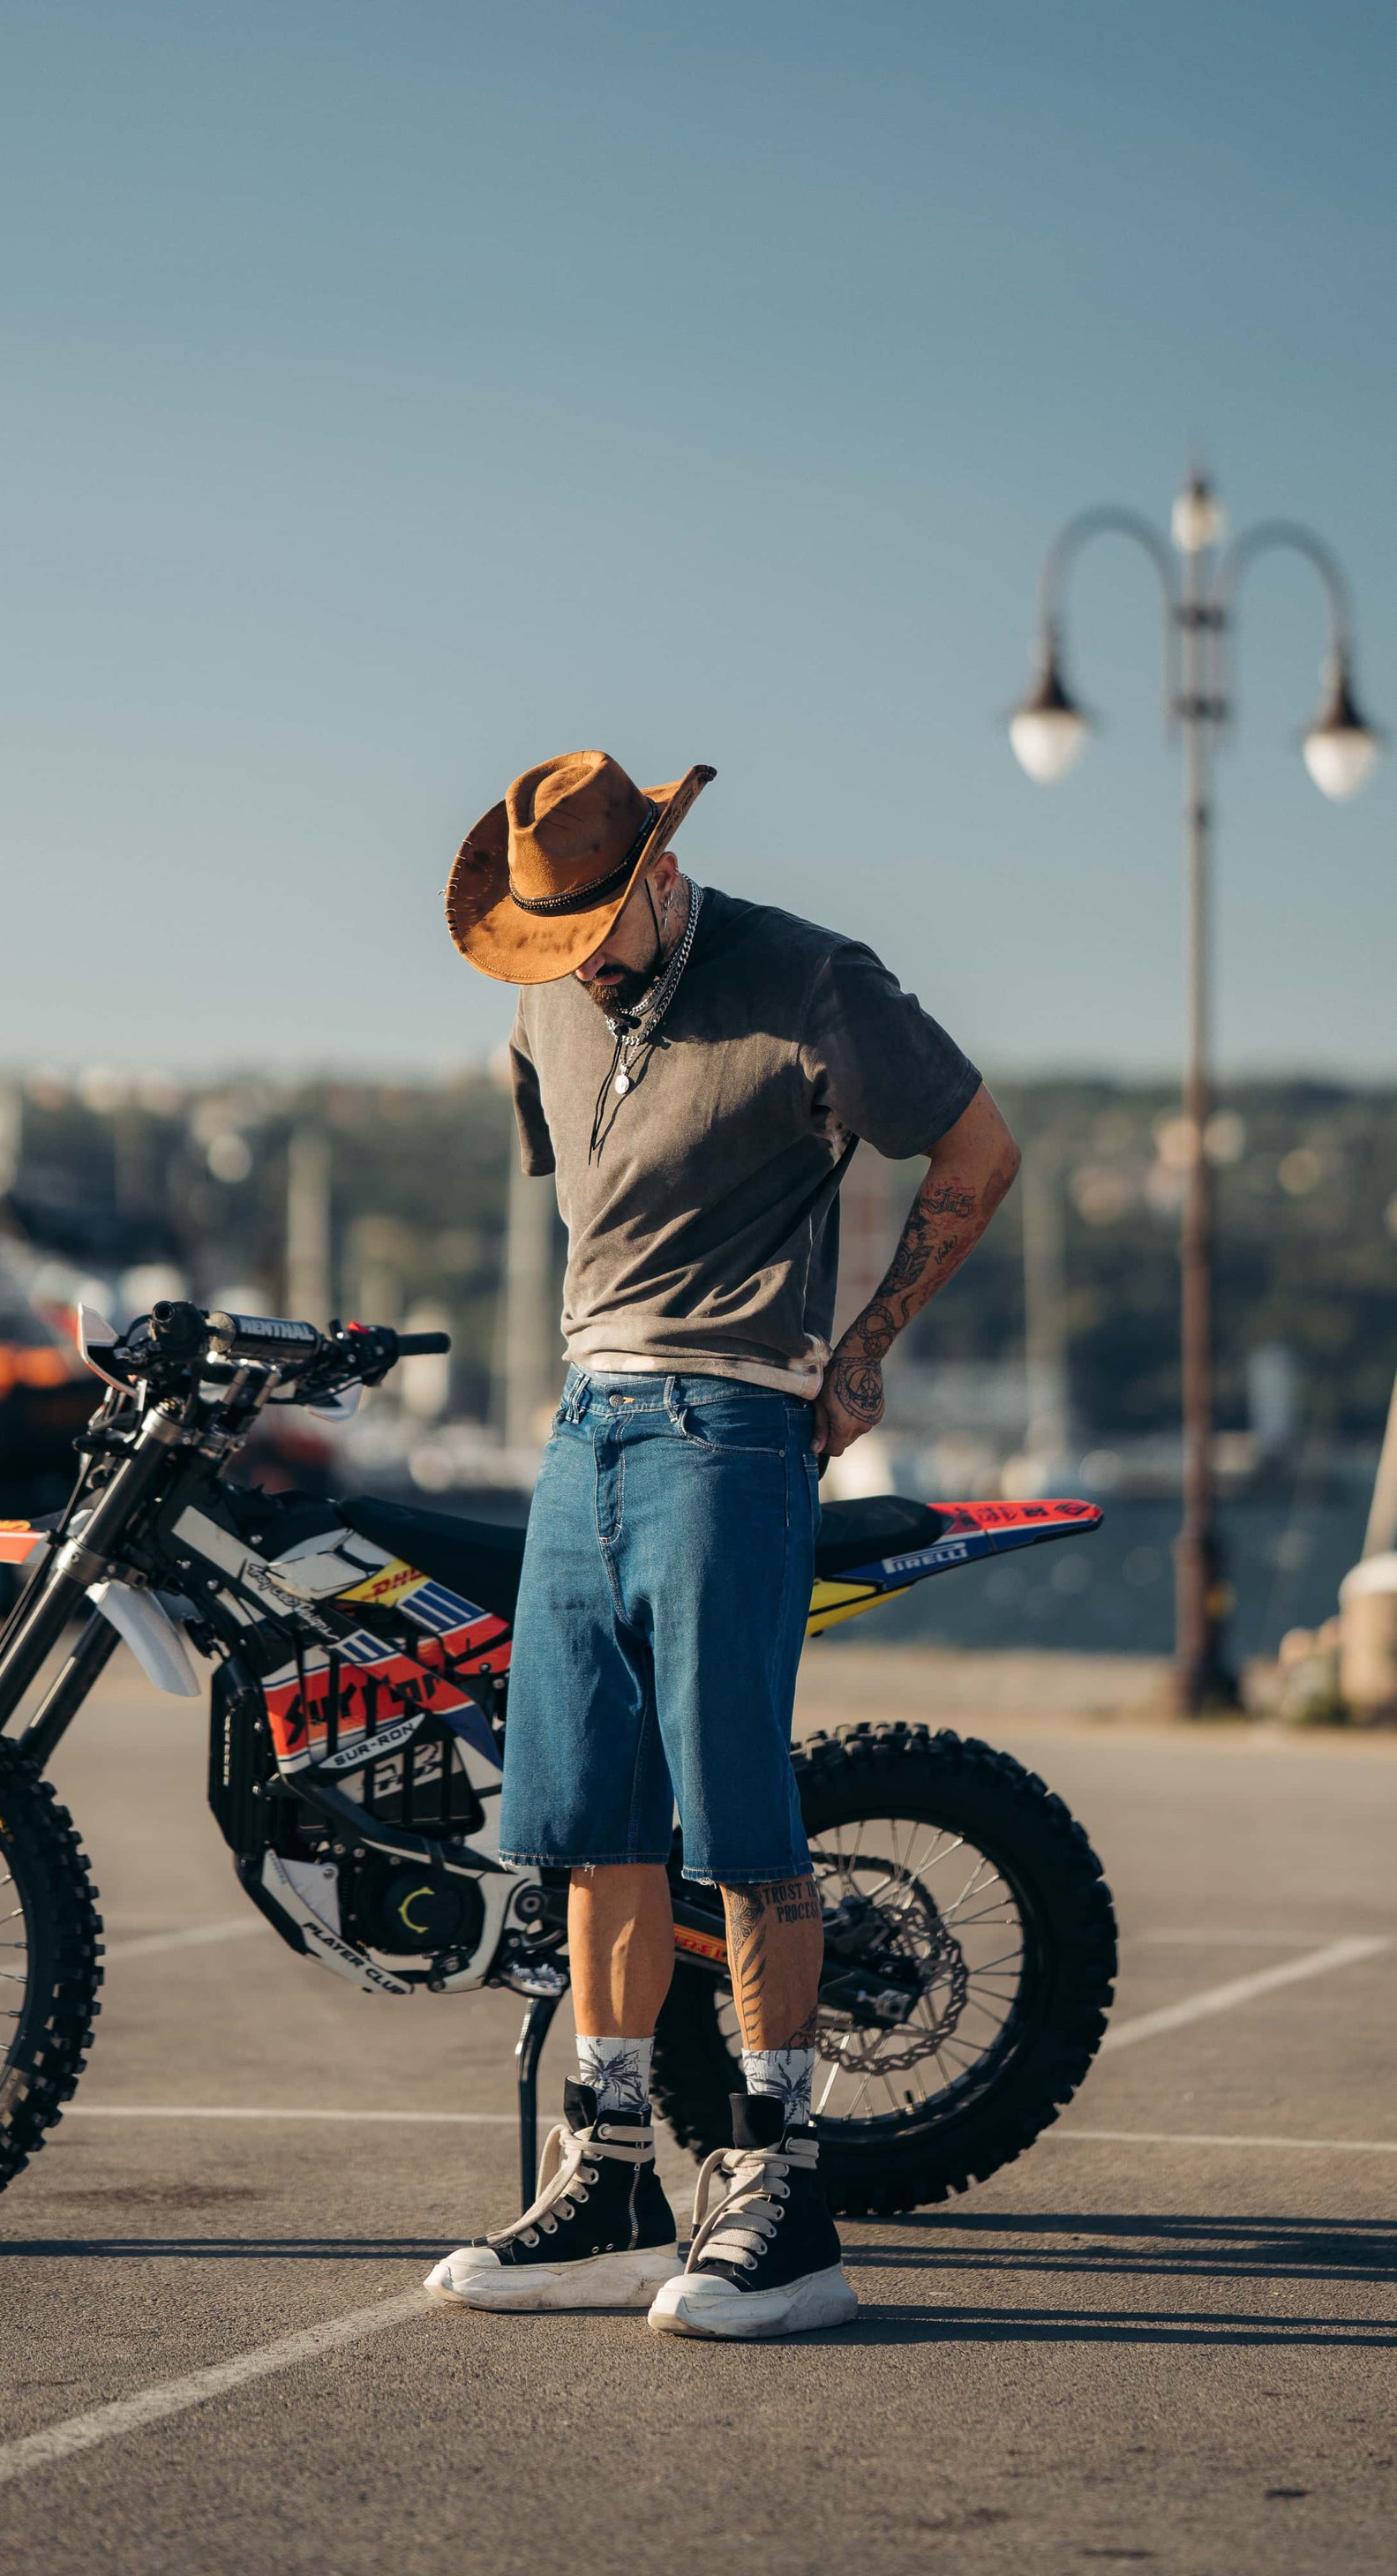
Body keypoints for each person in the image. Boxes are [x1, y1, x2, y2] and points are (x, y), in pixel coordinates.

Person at [425, 750, 1018, 2339]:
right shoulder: (546, 1002)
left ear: (663, 875)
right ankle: (612, 2177)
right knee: (591, 1824)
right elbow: (603, 1196)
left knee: (740, 1828)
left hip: (733, 1428)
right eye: (551, 941)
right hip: (583, 1428)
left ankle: (782, 2196)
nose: (577, 966)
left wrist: (865, 1350)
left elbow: (977, 1152)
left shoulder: (811, 978)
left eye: (595, 930)